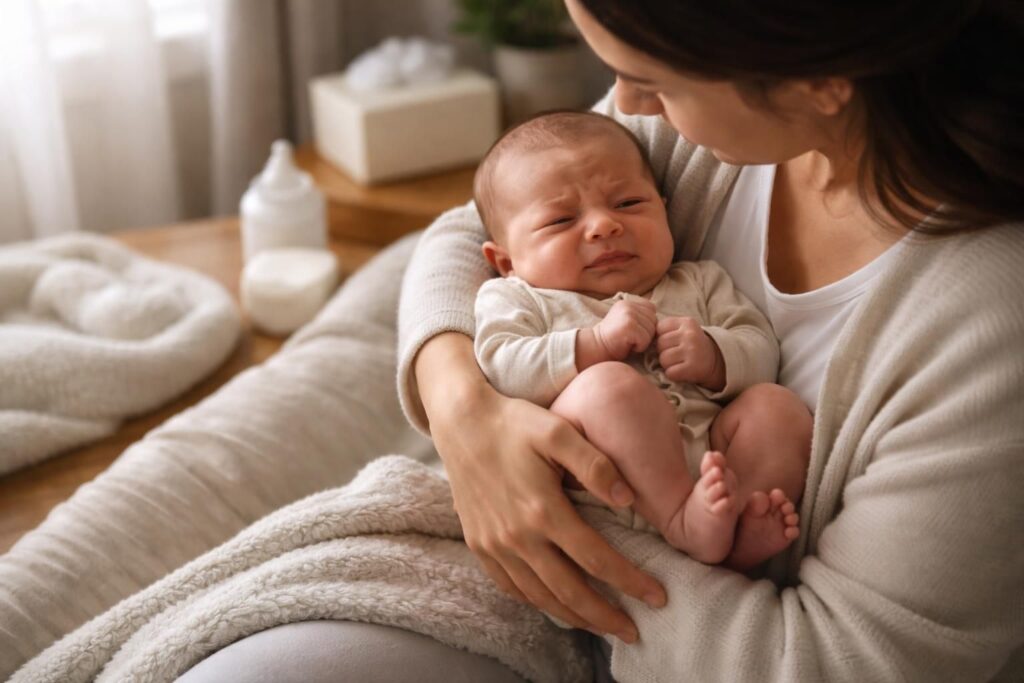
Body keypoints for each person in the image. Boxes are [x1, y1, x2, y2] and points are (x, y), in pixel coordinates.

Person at [184, 0, 1023, 679]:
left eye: (644, 78)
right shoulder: (735, 129)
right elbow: (468, 230)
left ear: (821, 78)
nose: (625, 107)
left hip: (690, 625)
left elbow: (825, 660)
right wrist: (464, 413)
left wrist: (544, 509)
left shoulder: (990, 325)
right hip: (568, 585)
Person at [472, 110, 809, 568]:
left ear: (665, 207)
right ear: (507, 261)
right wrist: (594, 344)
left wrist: (714, 355)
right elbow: (501, 368)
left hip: (711, 456)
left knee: (778, 408)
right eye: (560, 220)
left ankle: (733, 528)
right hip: (601, 487)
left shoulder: (700, 282)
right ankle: (681, 521)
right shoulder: (518, 298)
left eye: (628, 203)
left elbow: (760, 347)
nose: (602, 226)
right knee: (608, 386)